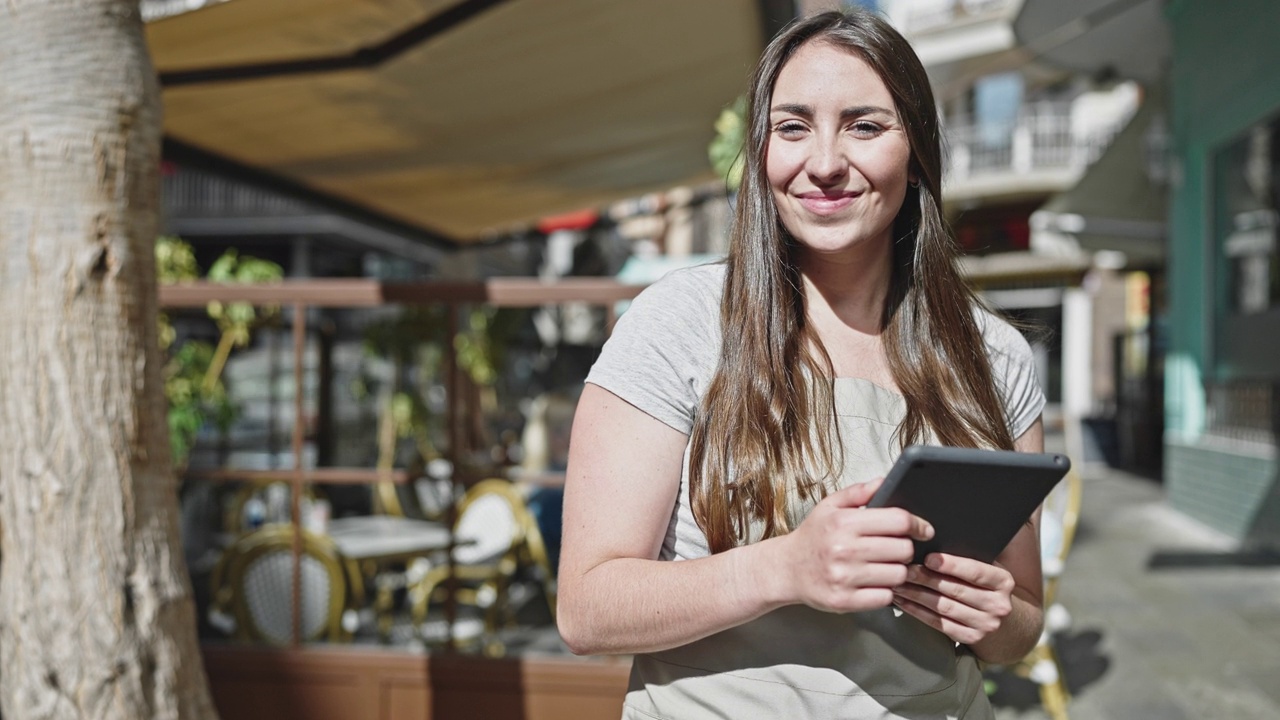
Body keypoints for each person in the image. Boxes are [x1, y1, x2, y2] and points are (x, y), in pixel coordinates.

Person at [557, 9, 1047, 719]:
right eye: (792, 127)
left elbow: (1021, 624)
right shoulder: (680, 322)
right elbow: (586, 610)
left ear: (917, 153)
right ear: (761, 154)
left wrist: (993, 616)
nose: (823, 161)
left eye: (865, 125)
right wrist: (785, 568)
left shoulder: (994, 355)